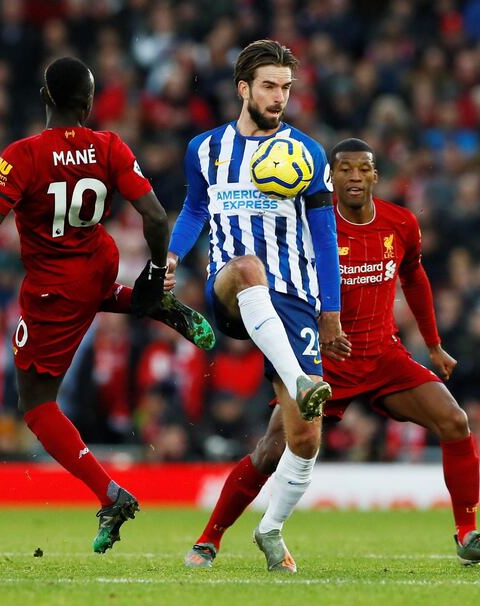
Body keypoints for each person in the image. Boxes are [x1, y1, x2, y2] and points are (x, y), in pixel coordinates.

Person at [184, 138, 480, 571]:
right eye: (345, 170)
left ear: (376, 176)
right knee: (272, 450)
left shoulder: (401, 223)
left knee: (454, 420)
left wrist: (433, 344)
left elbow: (415, 278)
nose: (355, 177)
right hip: (324, 362)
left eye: (364, 169)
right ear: (330, 177)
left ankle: (468, 533)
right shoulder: (309, 228)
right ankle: (209, 538)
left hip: (383, 356)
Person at [0, 57, 215, 554]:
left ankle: (110, 493)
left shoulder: (24, 154)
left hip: (53, 290)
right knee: (96, 295)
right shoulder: (109, 146)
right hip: (99, 265)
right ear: (89, 102)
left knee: (35, 406)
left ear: (44, 99)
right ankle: (156, 305)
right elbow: (155, 216)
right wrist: (152, 273)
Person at [165, 39, 348, 572]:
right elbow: (195, 208)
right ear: (244, 88)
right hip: (232, 286)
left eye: (286, 88)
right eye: (269, 86)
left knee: (299, 440)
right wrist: (173, 255)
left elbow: (323, 237)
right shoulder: (205, 149)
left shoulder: (309, 154)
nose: (279, 96)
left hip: (292, 300)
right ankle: (301, 381)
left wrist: (329, 312)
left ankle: (260, 531)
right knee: (248, 267)